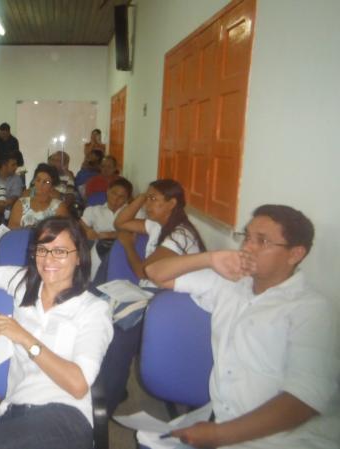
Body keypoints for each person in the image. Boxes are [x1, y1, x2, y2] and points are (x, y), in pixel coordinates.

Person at [145, 205, 340, 449]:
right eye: (247, 237)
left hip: (283, 439)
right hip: (221, 420)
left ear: (295, 254)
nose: (247, 247)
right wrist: (210, 258)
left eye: (262, 241)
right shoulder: (229, 283)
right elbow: (154, 272)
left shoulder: (311, 310)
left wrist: (219, 436)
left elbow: (303, 400)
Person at [0, 217, 113, 449]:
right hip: (15, 411)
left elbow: (78, 385)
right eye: (42, 250)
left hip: (65, 416)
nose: (48, 259)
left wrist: (25, 338)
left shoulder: (94, 310)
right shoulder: (24, 282)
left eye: (60, 251)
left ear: (79, 257)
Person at [98, 178, 207, 416]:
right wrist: (142, 196)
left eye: (154, 199)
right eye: (147, 199)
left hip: (172, 303)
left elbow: (144, 271)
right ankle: (107, 385)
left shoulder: (180, 235)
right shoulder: (159, 225)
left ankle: (106, 404)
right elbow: (121, 221)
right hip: (151, 293)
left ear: (172, 203)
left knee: (118, 334)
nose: (148, 204)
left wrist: (127, 245)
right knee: (100, 310)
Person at [80, 177, 132, 279]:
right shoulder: (94, 210)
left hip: (123, 250)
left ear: (127, 199)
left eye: (121, 196)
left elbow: (137, 234)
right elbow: (81, 224)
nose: (116, 199)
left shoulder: (134, 212)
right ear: (107, 191)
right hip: (98, 249)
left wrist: (113, 235)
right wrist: (88, 230)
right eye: (114, 193)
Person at [8, 163, 68, 230]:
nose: (40, 184)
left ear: (52, 186)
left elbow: (62, 231)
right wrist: (25, 229)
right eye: (38, 180)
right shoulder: (21, 203)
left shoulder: (59, 206)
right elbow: (11, 228)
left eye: (46, 182)